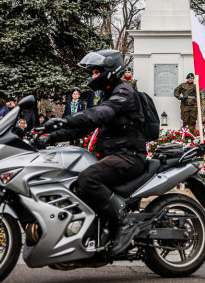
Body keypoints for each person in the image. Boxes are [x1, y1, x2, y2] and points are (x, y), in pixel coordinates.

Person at [39, 49, 147, 257]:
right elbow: (83, 128)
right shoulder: (109, 93)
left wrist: (67, 118)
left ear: (109, 70)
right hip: (114, 155)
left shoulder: (124, 92)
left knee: (88, 178)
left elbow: (99, 114)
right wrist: (49, 137)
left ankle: (123, 224)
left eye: (96, 72)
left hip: (129, 156)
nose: (92, 76)